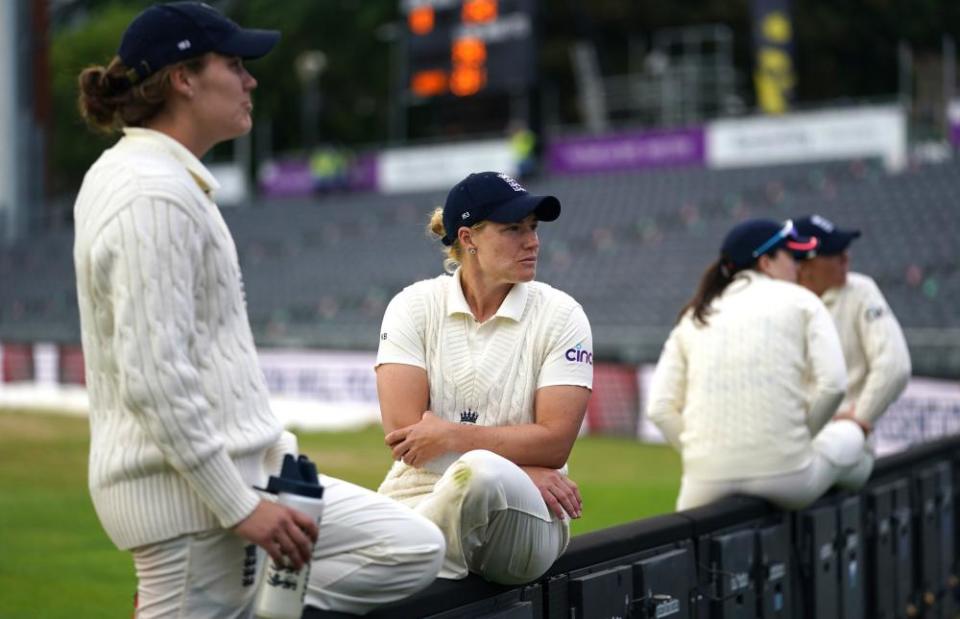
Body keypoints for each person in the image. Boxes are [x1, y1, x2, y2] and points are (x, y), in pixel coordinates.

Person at [73, 4, 443, 617]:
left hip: (240, 481)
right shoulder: (150, 191)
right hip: (193, 506)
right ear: (182, 78)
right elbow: (155, 377)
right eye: (235, 64)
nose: (250, 80)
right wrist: (239, 505)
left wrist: (272, 462)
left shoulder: (158, 180)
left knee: (409, 548)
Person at [374, 171, 593, 585]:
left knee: (482, 474)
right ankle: (399, 560)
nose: (532, 241)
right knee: (323, 502)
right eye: (513, 228)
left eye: (533, 227)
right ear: (468, 238)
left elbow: (555, 442)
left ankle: (394, 564)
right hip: (418, 495)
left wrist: (453, 438)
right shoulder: (413, 305)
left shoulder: (563, 315)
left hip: (528, 513)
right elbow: (406, 440)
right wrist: (524, 468)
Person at [647, 219, 874, 511]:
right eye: (792, 257)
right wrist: (800, 437)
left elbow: (659, 408)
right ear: (766, 262)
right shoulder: (802, 299)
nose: (798, 266)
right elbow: (834, 385)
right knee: (856, 439)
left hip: (702, 484)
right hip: (789, 481)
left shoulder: (694, 315)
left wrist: (702, 455)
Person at [794, 214, 911, 436]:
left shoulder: (860, 290)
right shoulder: (778, 302)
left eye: (845, 251)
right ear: (805, 266)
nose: (846, 258)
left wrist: (859, 420)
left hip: (841, 435)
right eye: (834, 253)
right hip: (793, 439)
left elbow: (895, 365)